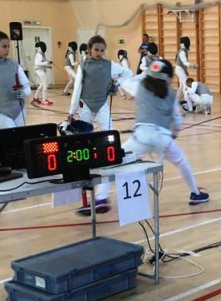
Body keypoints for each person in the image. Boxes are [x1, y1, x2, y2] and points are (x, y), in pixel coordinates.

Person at [121, 59, 209, 205]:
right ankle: (195, 193)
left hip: (141, 137)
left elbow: (124, 82)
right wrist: (174, 133)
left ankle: (101, 198)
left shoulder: (139, 87)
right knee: (182, 162)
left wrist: (143, 74)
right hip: (163, 139)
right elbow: (177, 119)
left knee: (113, 161)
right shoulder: (171, 94)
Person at [68, 35, 132, 214]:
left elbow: (127, 73)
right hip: (86, 106)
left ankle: (102, 189)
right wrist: (72, 110)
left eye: (102, 50)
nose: (99, 53)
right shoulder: (83, 66)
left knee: (109, 138)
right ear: (90, 49)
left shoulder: (109, 65)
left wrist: (116, 83)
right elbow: (77, 88)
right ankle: (85, 175)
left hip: (102, 105)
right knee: (82, 142)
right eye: (96, 50)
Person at [175, 37, 198, 105]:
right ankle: (187, 101)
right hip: (179, 69)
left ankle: (175, 101)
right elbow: (184, 62)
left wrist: (185, 70)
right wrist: (192, 65)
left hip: (180, 69)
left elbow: (183, 63)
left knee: (182, 86)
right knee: (186, 85)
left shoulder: (183, 51)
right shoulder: (182, 51)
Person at [32, 41, 52, 105]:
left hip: (38, 70)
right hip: (39, 71)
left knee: (41, 85)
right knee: (45, 84)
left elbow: (41, 63)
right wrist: (46, 63)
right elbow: (37, 63)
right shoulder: (39, 54)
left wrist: (48, 66)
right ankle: (44, 100)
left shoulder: (41, 54)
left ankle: (35, 97)